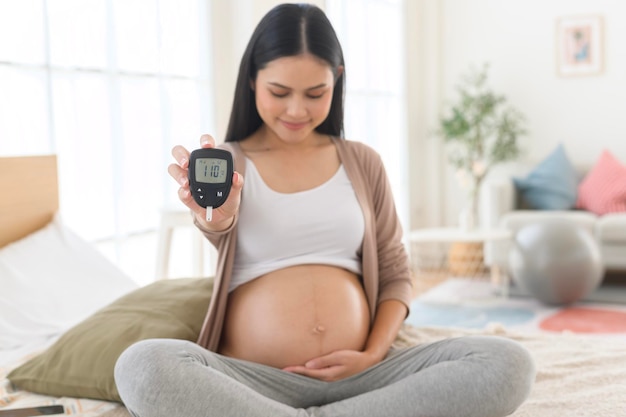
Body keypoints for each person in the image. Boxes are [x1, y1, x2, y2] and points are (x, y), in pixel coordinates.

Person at [114, 4, 535, 416]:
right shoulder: (229, 161)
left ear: (336, 80)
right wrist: (218, 218)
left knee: (506, 363)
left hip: (364, 378)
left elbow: (394, 271)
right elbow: (216, 225)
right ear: (252, 81)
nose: (297, 110)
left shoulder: (362, 161)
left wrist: (371, 354)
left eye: (315, 93)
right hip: (253, 381)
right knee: (143, 365)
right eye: (279, 92)